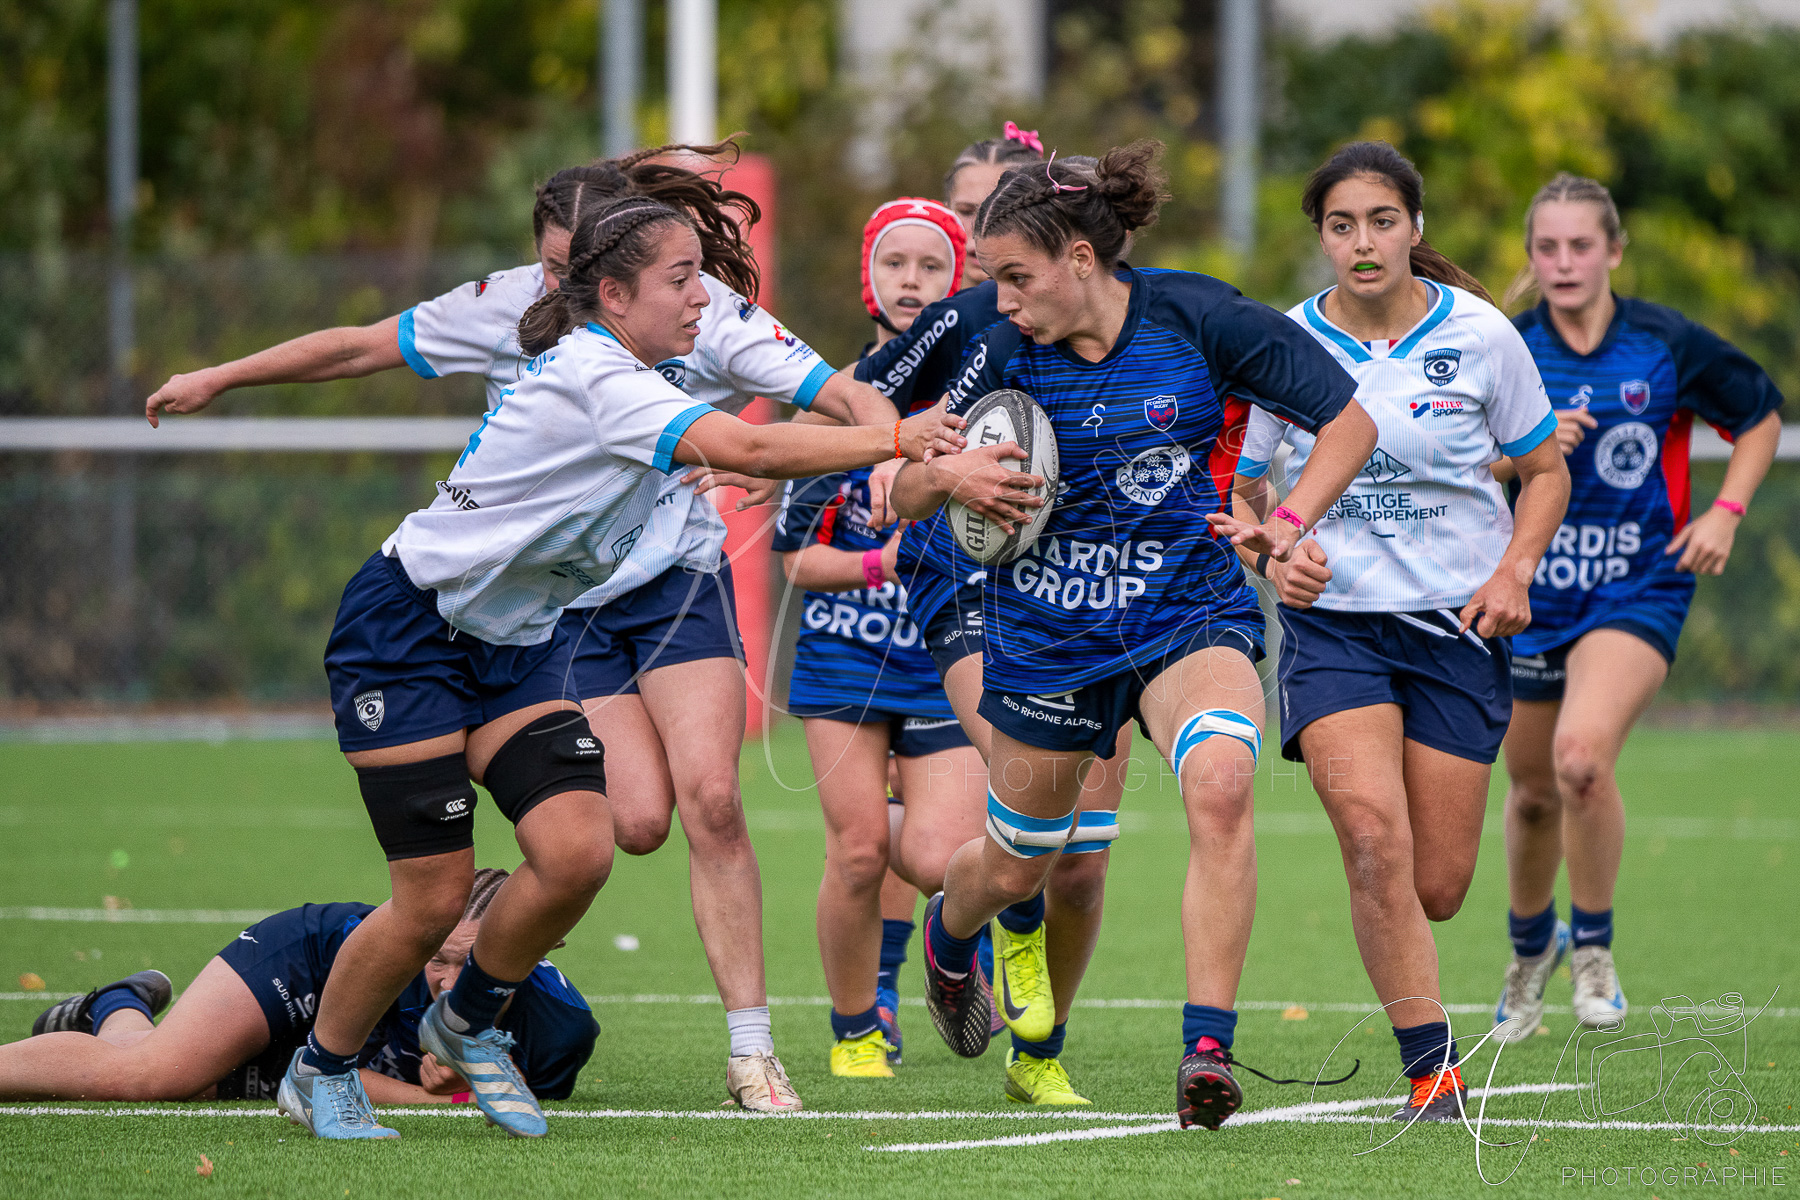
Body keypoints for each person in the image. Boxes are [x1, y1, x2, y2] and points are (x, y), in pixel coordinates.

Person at [145, 144, 912, 1105]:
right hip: (516, 610)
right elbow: (358, 346)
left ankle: (735, 1048)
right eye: (553, 268)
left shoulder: (695, 309)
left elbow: (828, 398)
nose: (556, 287)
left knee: (693, 805)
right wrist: (222, 377)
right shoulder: (569, 345)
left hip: (643, 588)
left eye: (575, 267)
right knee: (601, 833)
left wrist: (882, 454)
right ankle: (338, 1059)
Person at [892, 141, 1376, 1128]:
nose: (1005, 299)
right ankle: (947, 944)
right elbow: (903, 489)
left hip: (1184, 614)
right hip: (1047, 632)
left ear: (1080, 258)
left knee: (1223, 779)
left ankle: (1209, 1049)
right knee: (1018, 862)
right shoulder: (994, 340)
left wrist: (1283, 531)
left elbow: (1351, 423)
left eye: (1017, 277)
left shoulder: (1199, 317)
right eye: (993, 282)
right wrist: (950, 478)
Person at [1232, 141, 1570, 1121]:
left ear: (1414, 229)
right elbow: (1246, 484)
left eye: (1383, 220)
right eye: (1342, 225)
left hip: (1459, 626)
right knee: (1372, 841)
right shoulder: (1285, 341)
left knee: (1440, 884)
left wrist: (1515, 572)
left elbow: (1545, 472)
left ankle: (1439, 1004)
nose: (1364, 241)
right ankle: (1433, 1071)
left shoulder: (1482, 335)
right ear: (1322, 238)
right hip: (1335, 629)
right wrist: (1272, 553)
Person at [855, 133, 1143, 1108]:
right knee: (1022, 801)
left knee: (1082, 860)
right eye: (975, 235)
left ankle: (1032, 1036)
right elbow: (865, 441)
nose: (993, 273)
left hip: (1087, 592)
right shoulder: (954, 323)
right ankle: (1002, 984)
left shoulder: (1111, 319)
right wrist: (932, 469)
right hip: (967, 581)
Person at [1490, 173, 1783, 1040]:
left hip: (1639, 584)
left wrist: (1725, 513)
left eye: (1582, 245)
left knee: (1582, 759)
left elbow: (1761, 414)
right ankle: (1526, 957)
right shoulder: (1504, 346)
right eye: (1548, 247)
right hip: (1530, 591)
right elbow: (1461, 464)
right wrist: (1530, 458)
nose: (1565, 261)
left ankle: (1595, 955)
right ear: (1532, 257)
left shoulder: (1664, 342)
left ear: (1615, 252)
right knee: (1535, 791)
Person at [772, 196, 986, 1078]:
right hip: (847, 656)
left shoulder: (991, 394)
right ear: (869, 274)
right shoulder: (832, 405)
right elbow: (794, 558)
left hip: (949, 657)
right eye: (895, 263)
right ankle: (857, 1027)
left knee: (940, 858)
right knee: (858, 851)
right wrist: (882, 563)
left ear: (958, 282)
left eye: (932, 267)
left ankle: (947, 945)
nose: (913, 281)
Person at [5, 870, 597, 1107]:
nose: (444, 981)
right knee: (154, 1075)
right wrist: (445, 1101)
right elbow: (333, 1072)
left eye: (466, 967)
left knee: (202, 1083)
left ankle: (117, 1003)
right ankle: (115, 1004)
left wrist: (466, 1087)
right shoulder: (393, 961)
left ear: (536, 950)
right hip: (308, 963)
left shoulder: (561, 1030)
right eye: (435, 957)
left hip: (338, 1041)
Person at [944, 123, 1048, 287]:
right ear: (945, 210)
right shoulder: (919, 306)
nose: (979, 227)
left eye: (999, 212)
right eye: (966, 211)